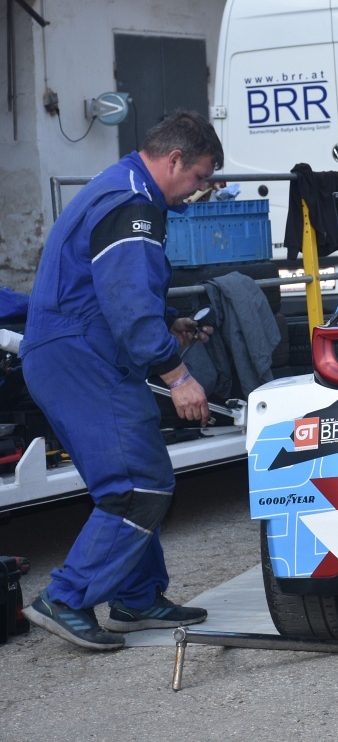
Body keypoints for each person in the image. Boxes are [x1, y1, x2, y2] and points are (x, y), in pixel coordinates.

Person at [21, 110, 222, 650]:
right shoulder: (133, 202)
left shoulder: (118, 185)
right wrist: (178, 375)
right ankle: (65, 597)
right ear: (174, 159)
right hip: (83, 358)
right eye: (200, 177)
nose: (198, 191)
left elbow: (106, 288)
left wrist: (167, 323)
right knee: (140, 484)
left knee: (128, 481)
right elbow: (128, 301)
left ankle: (136, 596)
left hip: (71, 354)